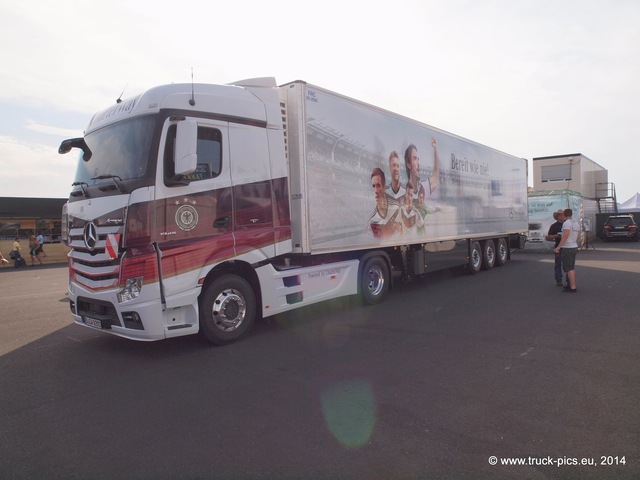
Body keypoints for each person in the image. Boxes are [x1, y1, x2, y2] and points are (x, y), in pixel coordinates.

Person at [369, 167, 400, 239]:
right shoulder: (373, 220)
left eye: (378, 185)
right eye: (373, 186)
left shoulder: (396, 207)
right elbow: (378, 242)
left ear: (384, 187)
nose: (375, 191)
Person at [554, 208, 580, 293]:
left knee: (568, 268)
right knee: (571, 266)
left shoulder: (566, 224)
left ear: (564, 215)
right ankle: (570, 285)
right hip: (574, 246)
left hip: (568, 247)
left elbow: (565, 236)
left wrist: (558, 247)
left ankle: (573, 286)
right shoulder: (576, 223)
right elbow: (578, 236)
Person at [545, 209, 565, 286]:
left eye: (563, 215)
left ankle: (569, 280)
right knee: (558, 264)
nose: (562, 216)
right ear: (557, 217)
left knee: (567, 265)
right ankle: (558, 280)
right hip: (558, 247)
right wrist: (556, 235)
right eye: (560, 215)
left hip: (567, 247)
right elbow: (548, 237)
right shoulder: (554, 226)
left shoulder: (567, 224)